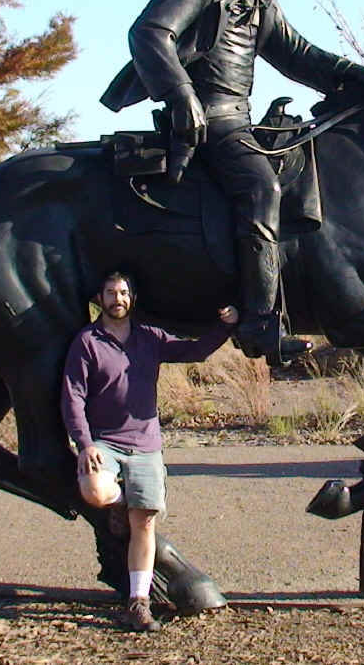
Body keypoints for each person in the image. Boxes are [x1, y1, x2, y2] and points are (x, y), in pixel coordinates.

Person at [100, 0, 364, 366]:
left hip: (238, 118)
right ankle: (260, 323)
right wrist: (181, 95)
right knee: (262, 190)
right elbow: (150, 32)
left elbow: (298, 55)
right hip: (211, 120)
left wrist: (353, 73)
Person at [60, 270, 238, 632]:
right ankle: (119, 503)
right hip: (105, 443)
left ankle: (138, 603)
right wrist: (85, 443)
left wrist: (227, 326)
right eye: (111, 293)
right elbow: (73, 395)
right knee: (94, 490)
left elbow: (195, 350)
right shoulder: (87, 342)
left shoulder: (149, 338)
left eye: (123, 293)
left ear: (132, 298)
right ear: (101, 299)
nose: (117, 299)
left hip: (145, 446)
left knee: (145, 524)